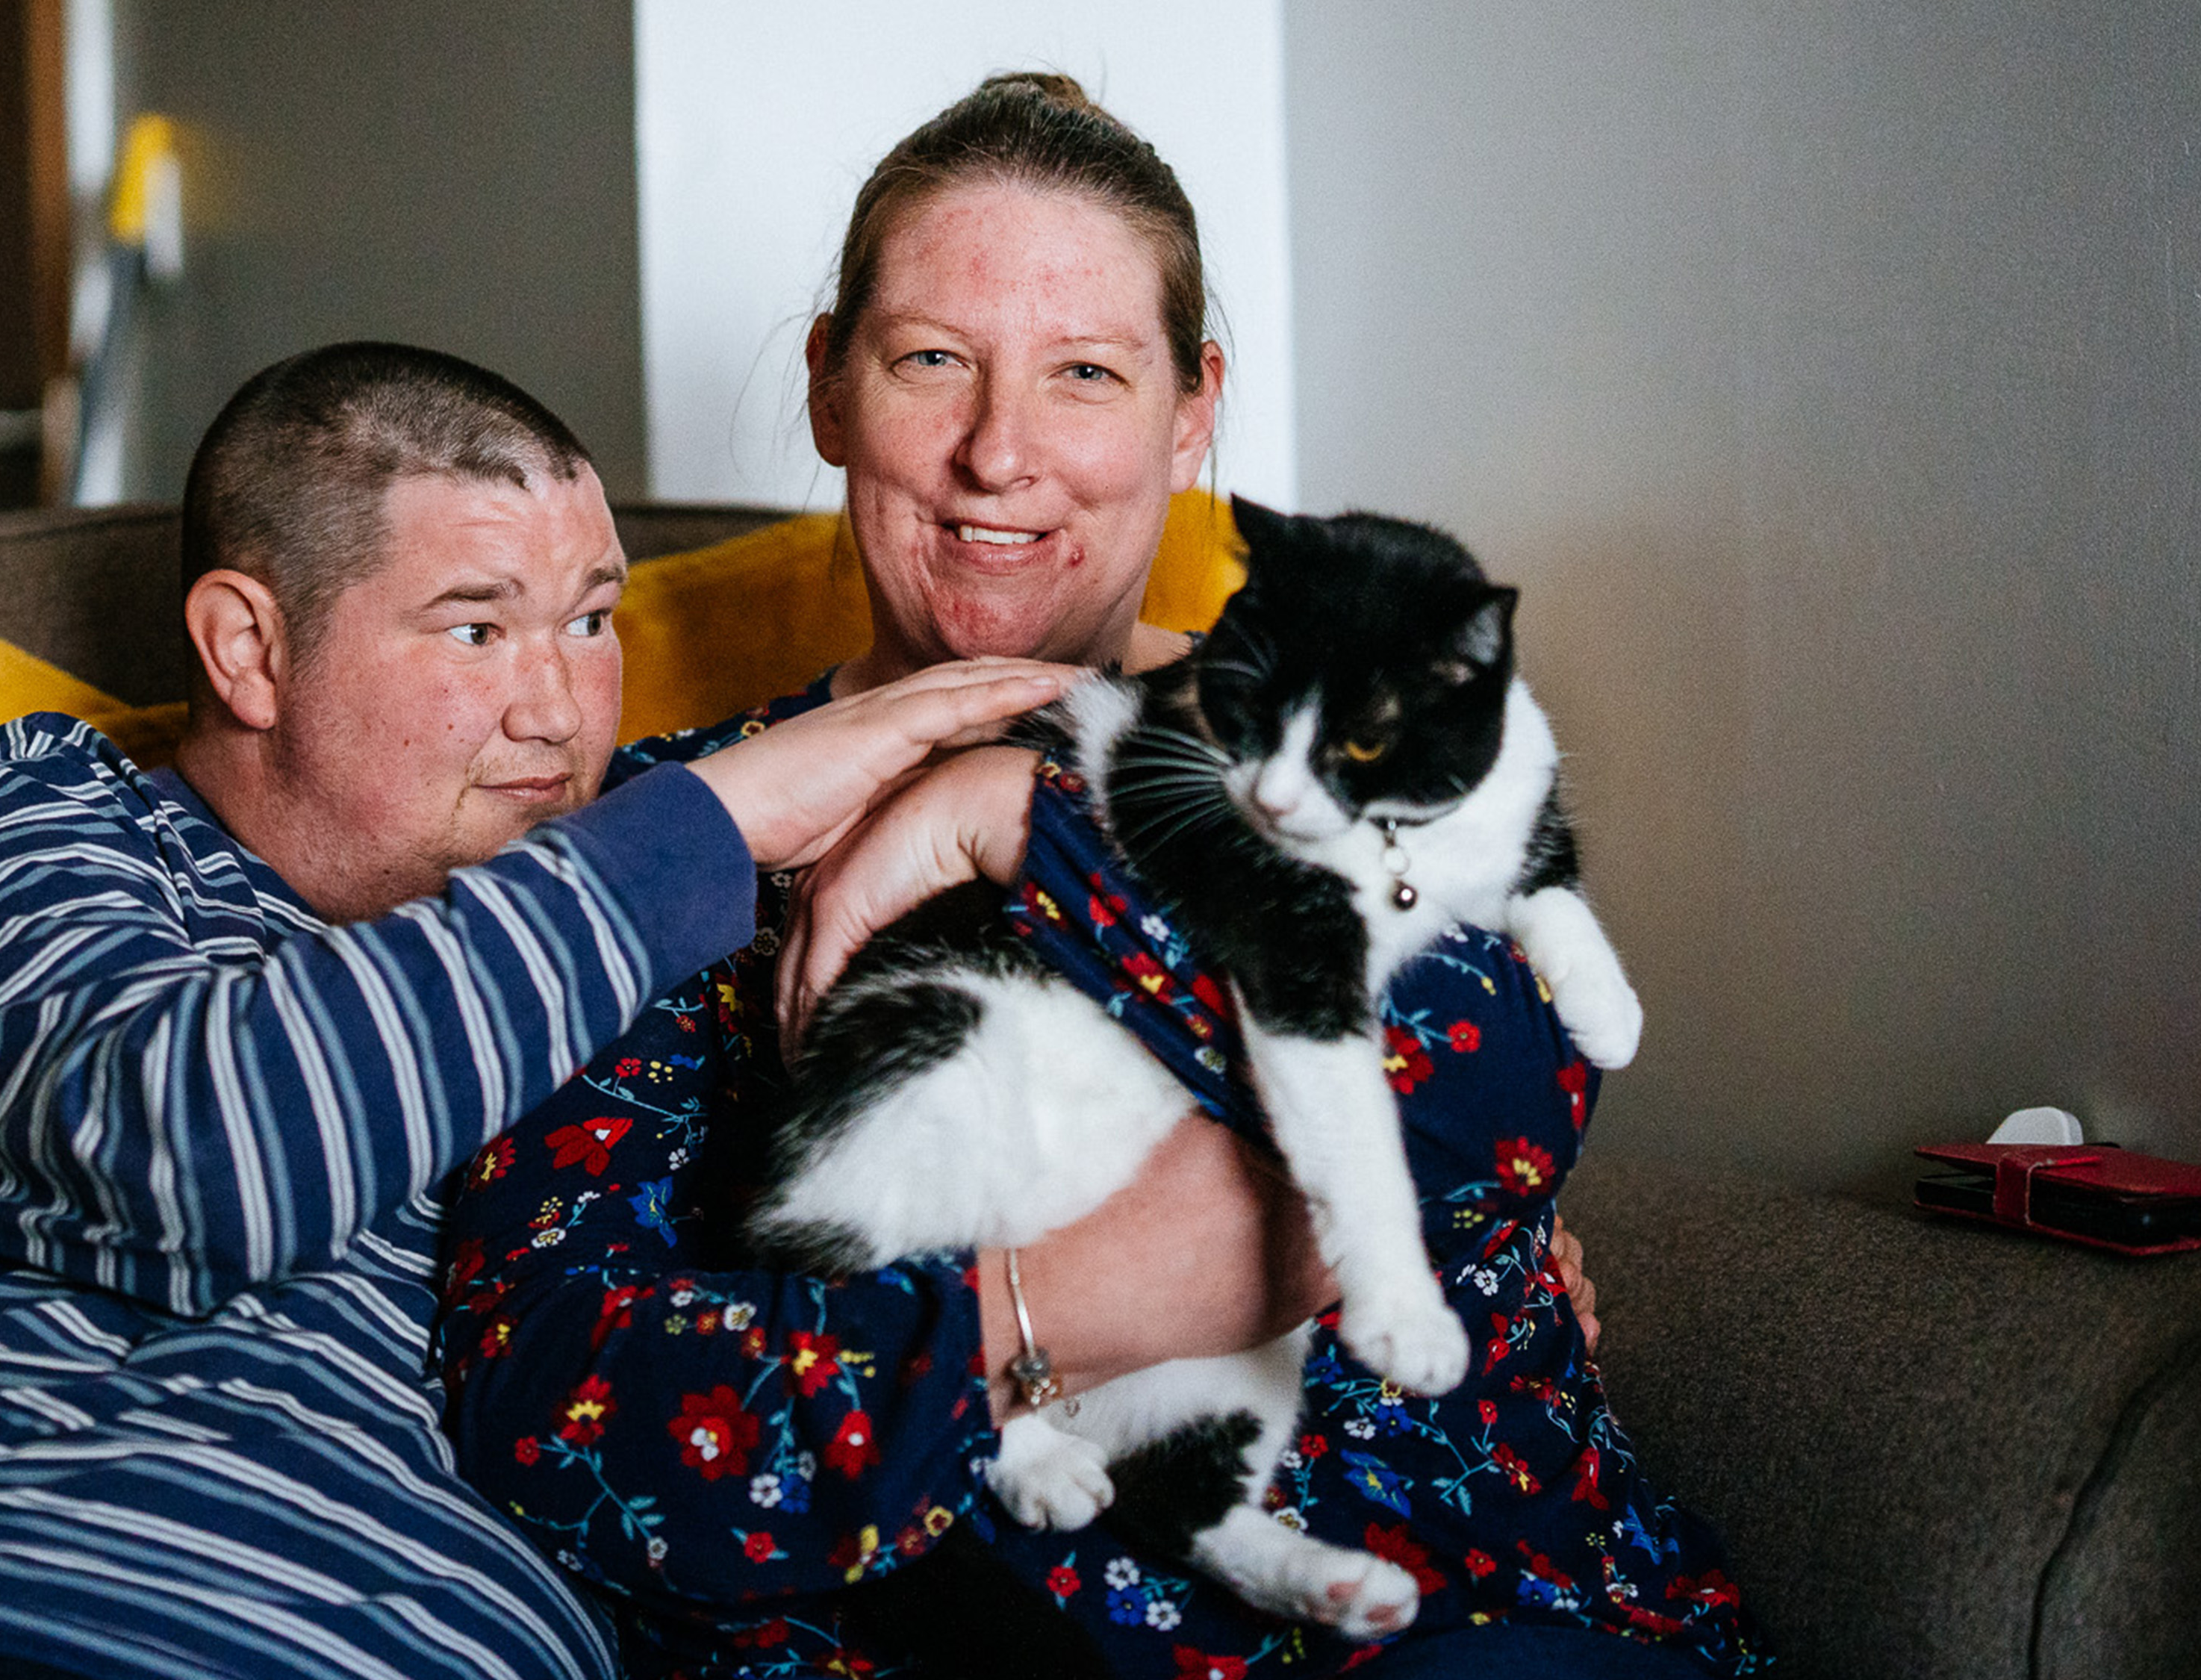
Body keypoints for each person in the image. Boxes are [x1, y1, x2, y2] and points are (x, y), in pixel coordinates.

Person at [0, 342, 1080, 1680]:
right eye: (475, 623)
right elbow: (214, 1155)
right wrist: (707, 827)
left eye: (590, 620)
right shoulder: (33, 820)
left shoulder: (658, 985)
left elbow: (751, 1437)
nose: (558, 704)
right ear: (247, 647)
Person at [435, 75, 1762, 1679]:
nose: (1001, 455)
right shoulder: (670, 836)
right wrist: (1033, 1312)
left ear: (1189, 409)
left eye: (1084, 372)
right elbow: (573, 1413)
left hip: (1479, 1628)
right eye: (931, 362)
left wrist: (1023, 816)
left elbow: (1499, 1110)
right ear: (826, 390)